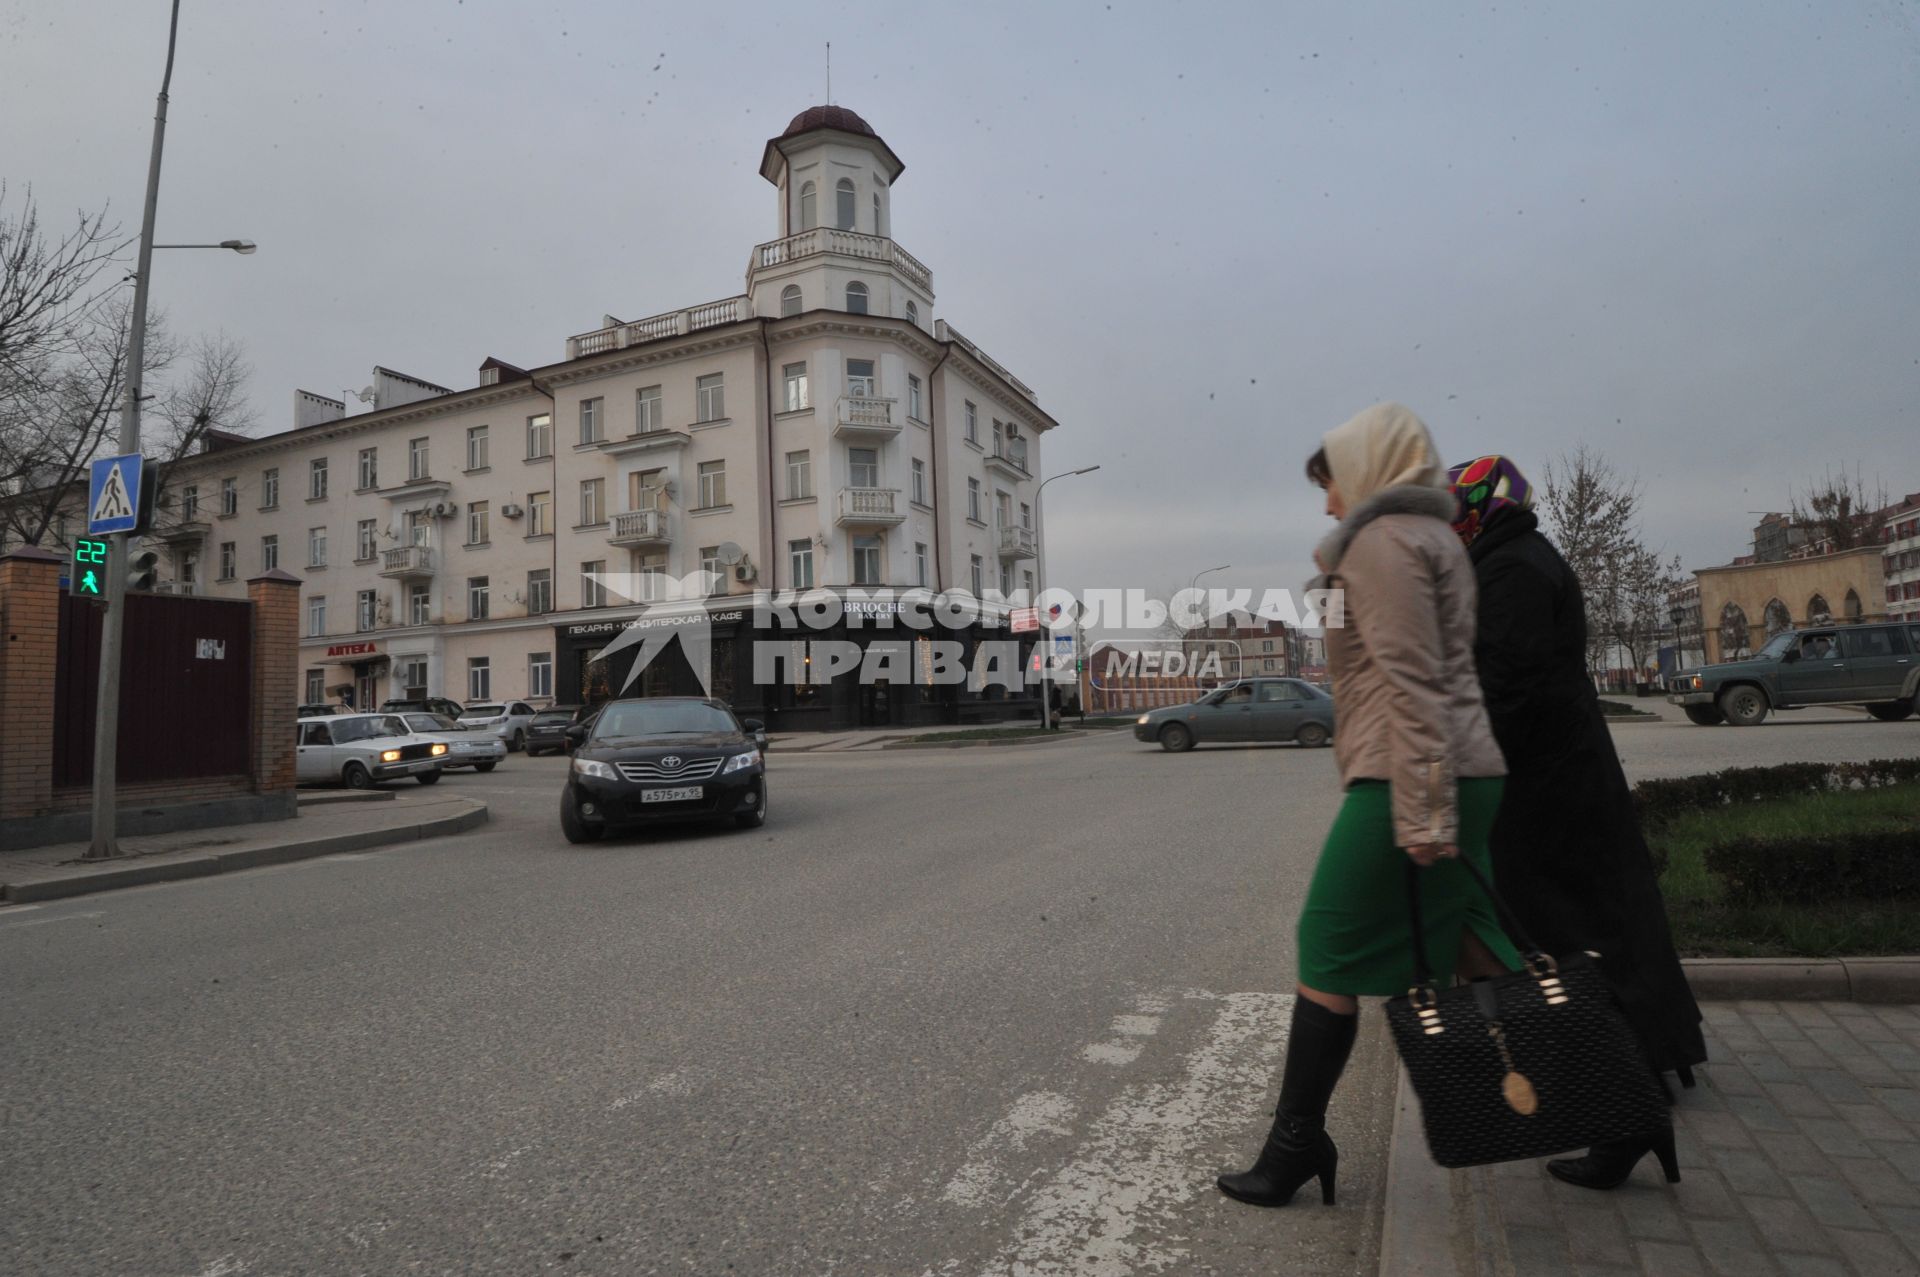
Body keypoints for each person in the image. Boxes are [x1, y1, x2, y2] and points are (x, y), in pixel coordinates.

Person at [1218, 403, 1517, 1210]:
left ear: (1372, 475)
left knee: (1326, 940)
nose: (1325, 503)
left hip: (1408, 771)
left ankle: (1296, 1143)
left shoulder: (1386, 543)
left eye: (1333, 485)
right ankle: (1614, 1097)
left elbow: (1411, 678)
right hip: (1461, 762)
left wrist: (1421, 810)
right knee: (1477, 946)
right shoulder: (1432, 538)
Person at [1447, 454, 1705, 1190]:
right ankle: (1645, 1075)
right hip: (1561, 775)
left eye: (1455, 506)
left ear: (1481, 504)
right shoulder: (1516, 557)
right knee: (1604, 925)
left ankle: (1629, 1102)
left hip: (1549, 788)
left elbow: (1507, 685)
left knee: (1577, 937)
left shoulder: (1514, 570)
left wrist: (1457, 760)